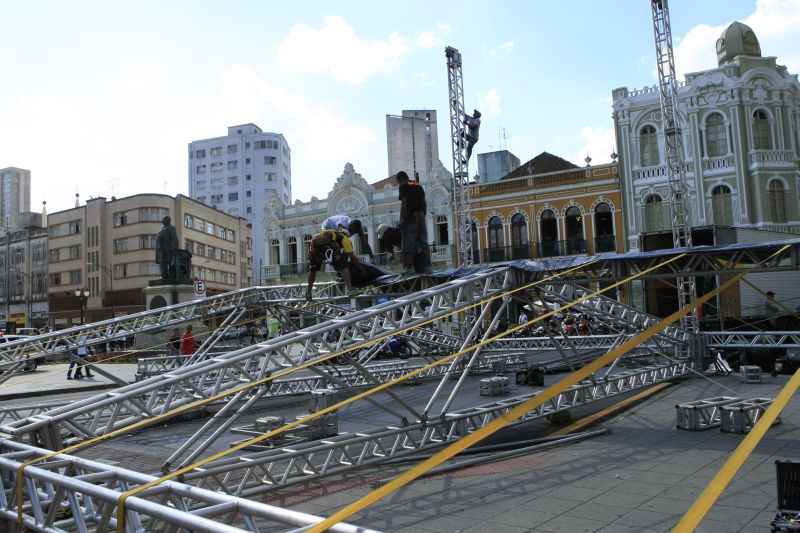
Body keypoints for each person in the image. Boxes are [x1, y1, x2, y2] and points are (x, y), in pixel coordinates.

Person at [305, 229, 365, 300]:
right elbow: (352, 257)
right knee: (342, 265)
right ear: (347, 235)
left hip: (313, 244)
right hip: (326, 244)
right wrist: (362, 270)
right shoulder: (345, 239)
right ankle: (350, 289)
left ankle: (308, 292)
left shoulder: (331, 233)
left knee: (313, 269)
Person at [397, 171, 432, 275]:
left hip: (410, 216)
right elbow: (424, 202)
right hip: (421, 214)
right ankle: (429, 266)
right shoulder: (417, 184)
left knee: (409, 241)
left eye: (399, 182)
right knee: (423, 242)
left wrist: (401, 219)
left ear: (401, 179)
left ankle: (410, 268)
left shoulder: (403, 186)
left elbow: (404, 202)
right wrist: (423, 214)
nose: (399, 184)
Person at [155, 215, 179, 280]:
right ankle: (164, 276)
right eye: (163, 219)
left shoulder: (171, 228)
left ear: (168, 220)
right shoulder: (163, 229)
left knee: (164, 264)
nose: (163, 221)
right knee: (162, 264)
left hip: (167, 251)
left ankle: (164, 277)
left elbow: (175, 239)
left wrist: (175, 249)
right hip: (161, 251)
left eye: (164, 219)